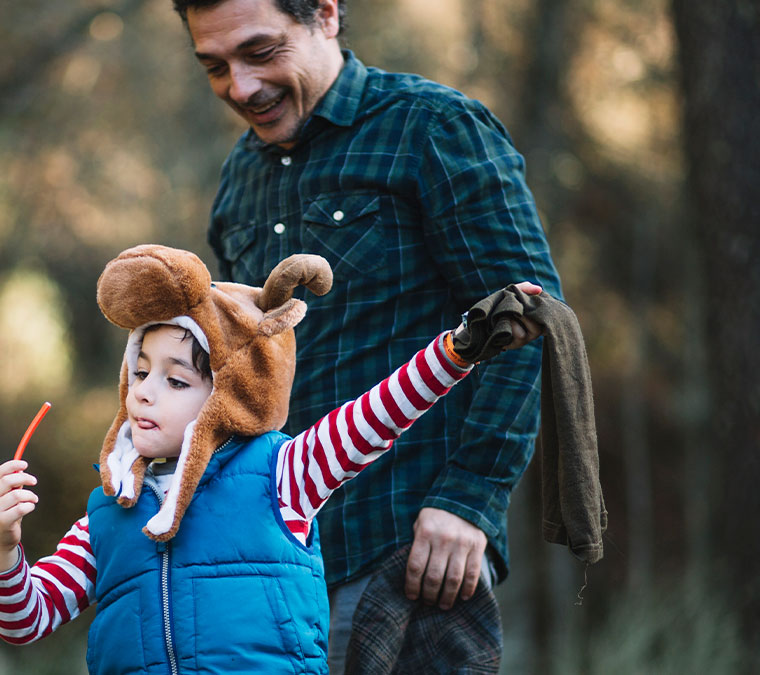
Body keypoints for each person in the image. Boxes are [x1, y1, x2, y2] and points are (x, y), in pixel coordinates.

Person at [170, 0, 564, 670]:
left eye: (261, 52)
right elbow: (242, 381)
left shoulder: (432, 127)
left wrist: (469, 499)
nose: (241, 87)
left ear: (325, 13)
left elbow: (528, 318)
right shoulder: (239, 179)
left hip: (412, 554)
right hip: (280, 571)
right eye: (215, 66)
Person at [0, 244, 543, 674]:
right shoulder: (106, 512)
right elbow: (25, 620)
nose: (145, 392)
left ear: (229, 396)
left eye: (176, 380)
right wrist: (4, 545)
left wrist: (459, 348)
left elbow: (377, 415)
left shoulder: (284, 474)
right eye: (141, 371)